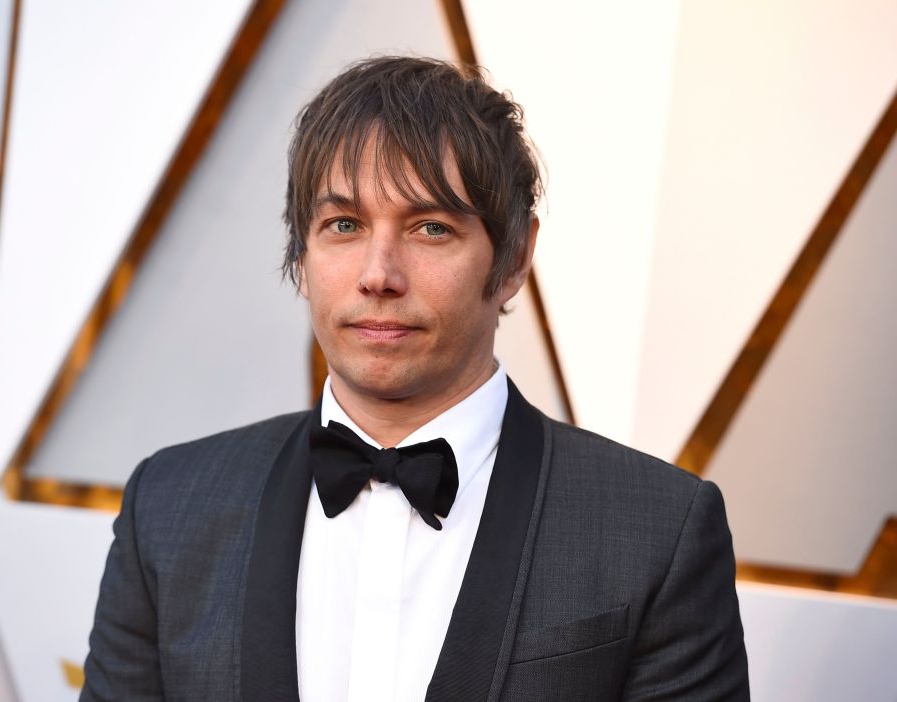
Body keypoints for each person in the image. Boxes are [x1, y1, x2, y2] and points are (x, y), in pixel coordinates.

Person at [80, 56, 749, 701]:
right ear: (302, 255)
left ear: (515, 258)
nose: (379, 274)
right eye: (344, 225)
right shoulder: (167, 510)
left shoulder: (658, 530)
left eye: (431, 228)